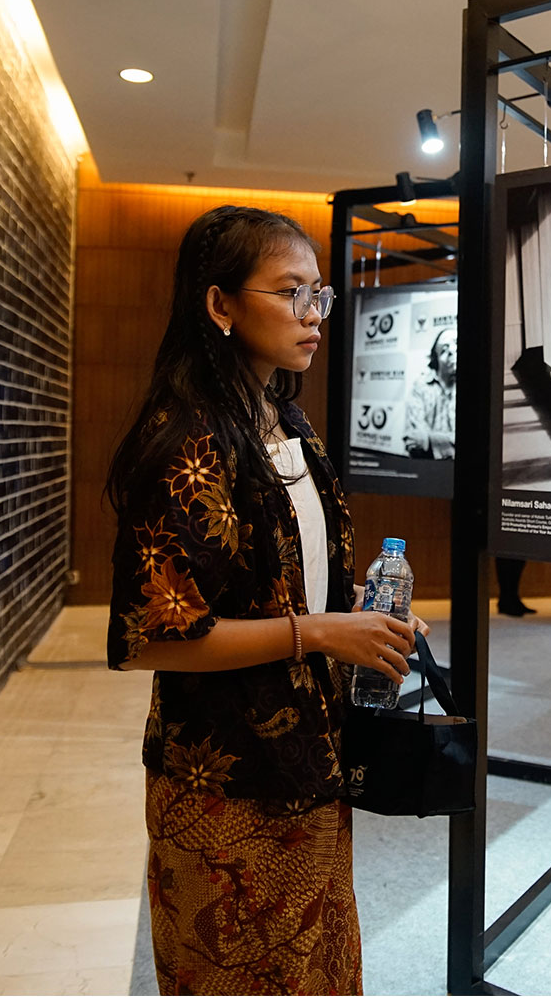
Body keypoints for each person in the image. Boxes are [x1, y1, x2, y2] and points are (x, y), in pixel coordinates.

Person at [105, 205, 425, 995]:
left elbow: (281, 580)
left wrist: (359, 614)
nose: (313, 316)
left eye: (319, 295)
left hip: (309, 763)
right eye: (290, 293)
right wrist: (318, 633)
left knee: (314, 970)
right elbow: (154, 637)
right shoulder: (185, 440)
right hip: (226, 783)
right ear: (220, 305)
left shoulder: (282, 418)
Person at [403, 326, 455, 458]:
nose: (452, 351)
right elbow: (414, 440)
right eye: (444, 348)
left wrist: (429, 441)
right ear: (435, 356)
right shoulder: (420, 386)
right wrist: (450, 442)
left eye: (457, 343)